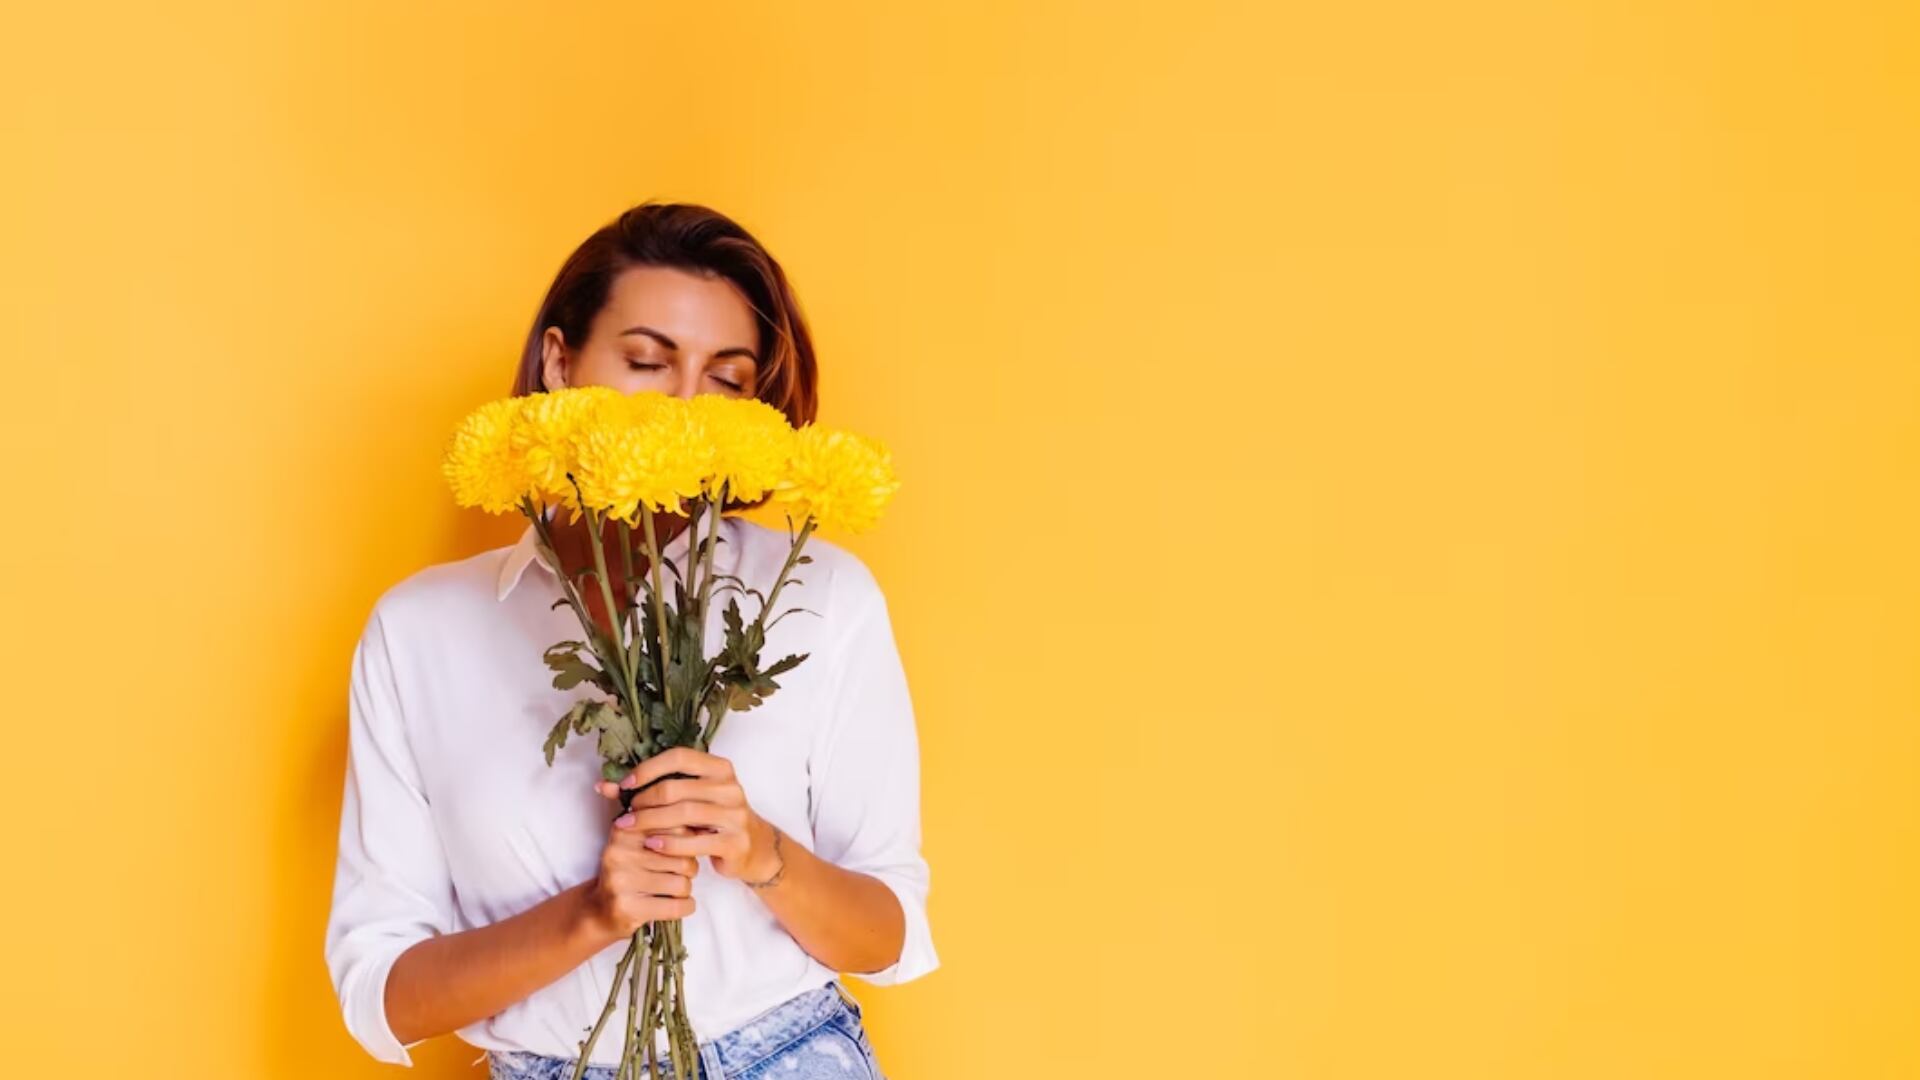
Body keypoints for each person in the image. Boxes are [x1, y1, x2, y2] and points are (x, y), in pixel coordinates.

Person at [323, 202, 939, 1079]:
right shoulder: (420, 631)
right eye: (648, 362)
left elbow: (890, 933)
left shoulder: (821, 594)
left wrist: (760, 852)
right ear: (560, 362)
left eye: (726, 380)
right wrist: (589, 918)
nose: (686, 408)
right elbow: (382, 993)